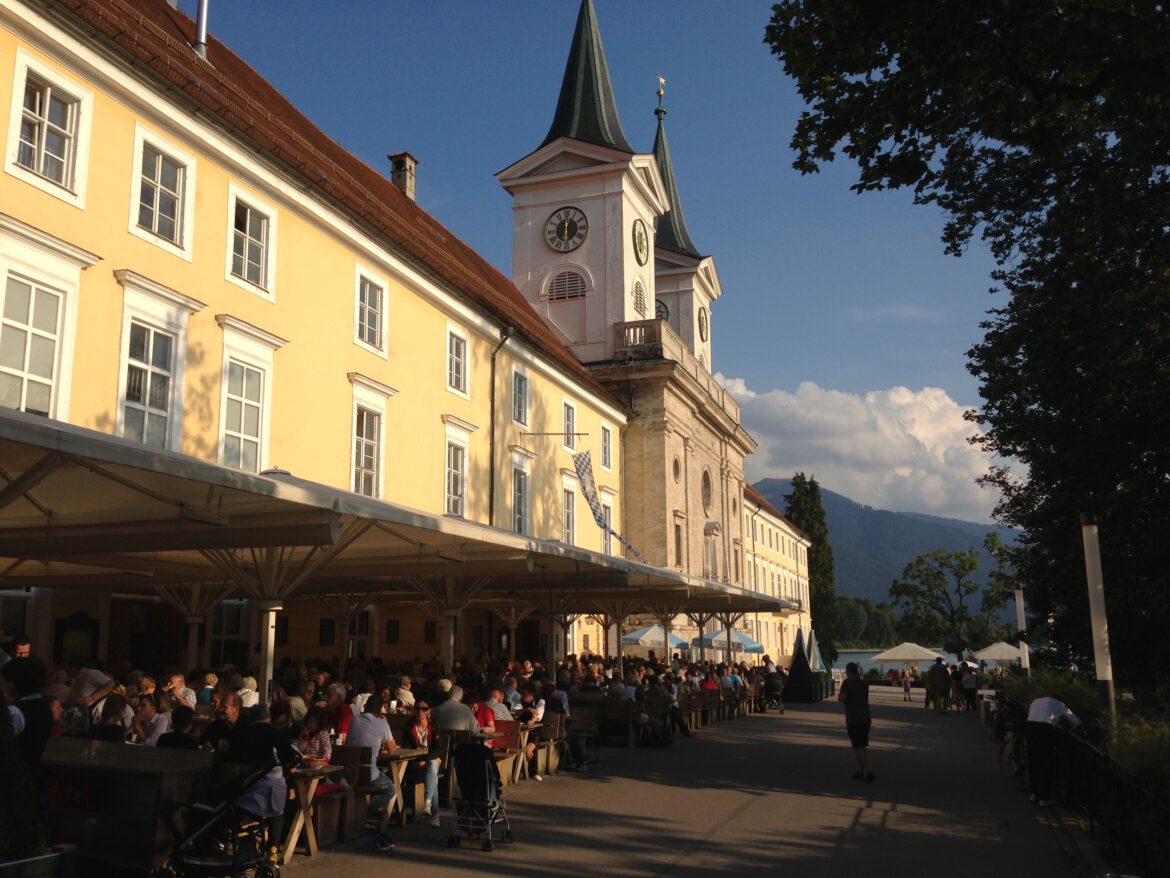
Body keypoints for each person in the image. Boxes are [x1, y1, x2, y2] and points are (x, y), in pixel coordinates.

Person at [345, 695, 397, 852]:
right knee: (390, 789)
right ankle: (365, 810)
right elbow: (392, 749)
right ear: (380, 709)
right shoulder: (382, 723)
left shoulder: (354, 720)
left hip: (350, 771)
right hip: (368, 774)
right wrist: (384, 723)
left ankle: (361, 811)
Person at [1025, 693, 1081, 807]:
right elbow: (1075, 720)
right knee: (1046, 763)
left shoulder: (1036, 700)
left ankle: (1034, 793)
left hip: (1030, 727)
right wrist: (1073, 728)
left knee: (1034, 761)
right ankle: (1044, 797)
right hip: (1044, 730)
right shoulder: (1058, 704)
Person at [405, 701, 442, 827]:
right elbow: (407, 749)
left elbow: (438, 749)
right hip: (414, 764)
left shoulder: (433, 726)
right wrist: (424, 758)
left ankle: (427, 803)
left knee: (432, 766)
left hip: (427, 762)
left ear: (429, 711)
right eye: (417, 708)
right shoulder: (409, 726)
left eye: (424, 709)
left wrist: (425, 760)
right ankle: (433, 812)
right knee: (433, 774)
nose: (420, 711)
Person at [837, 662, 875, 782]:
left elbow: (842, 698)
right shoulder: (864, 683)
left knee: (857, 746)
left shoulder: (847, 682)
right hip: (865, 718)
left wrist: (841, 696)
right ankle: (860, 771)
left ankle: (868, 771)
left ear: (848, 671)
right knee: (862, 745)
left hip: (854, 718)